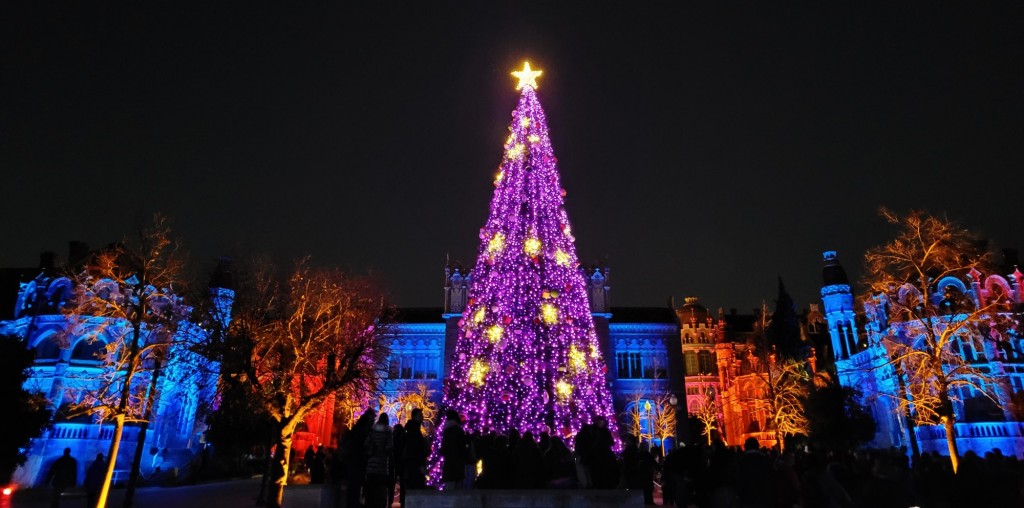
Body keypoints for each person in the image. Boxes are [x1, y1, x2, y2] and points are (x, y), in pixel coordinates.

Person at [364, 413, 394, 508]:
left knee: (371, 489)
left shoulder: (372, 431)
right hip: (382, 465)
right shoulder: (388, 433)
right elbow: (389, 447)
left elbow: (366, 445)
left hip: (371, 465)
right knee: (380, 490)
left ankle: (369, 505)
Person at [400, 408, 428, 508]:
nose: (422, 417)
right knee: (416, 488)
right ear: (415, 417)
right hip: (415, 467)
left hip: (412, 465)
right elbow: (416, 450)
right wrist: (421, 464)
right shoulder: (414, 431)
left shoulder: (412, 430)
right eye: (420, 415)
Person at [439, 410, 468, 491]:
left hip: (449, 462)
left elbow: (443, 448)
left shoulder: (447, 430)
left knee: (450, 486)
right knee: (457, 485)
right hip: (458, 462)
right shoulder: (459, 430)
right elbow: (463, 446)